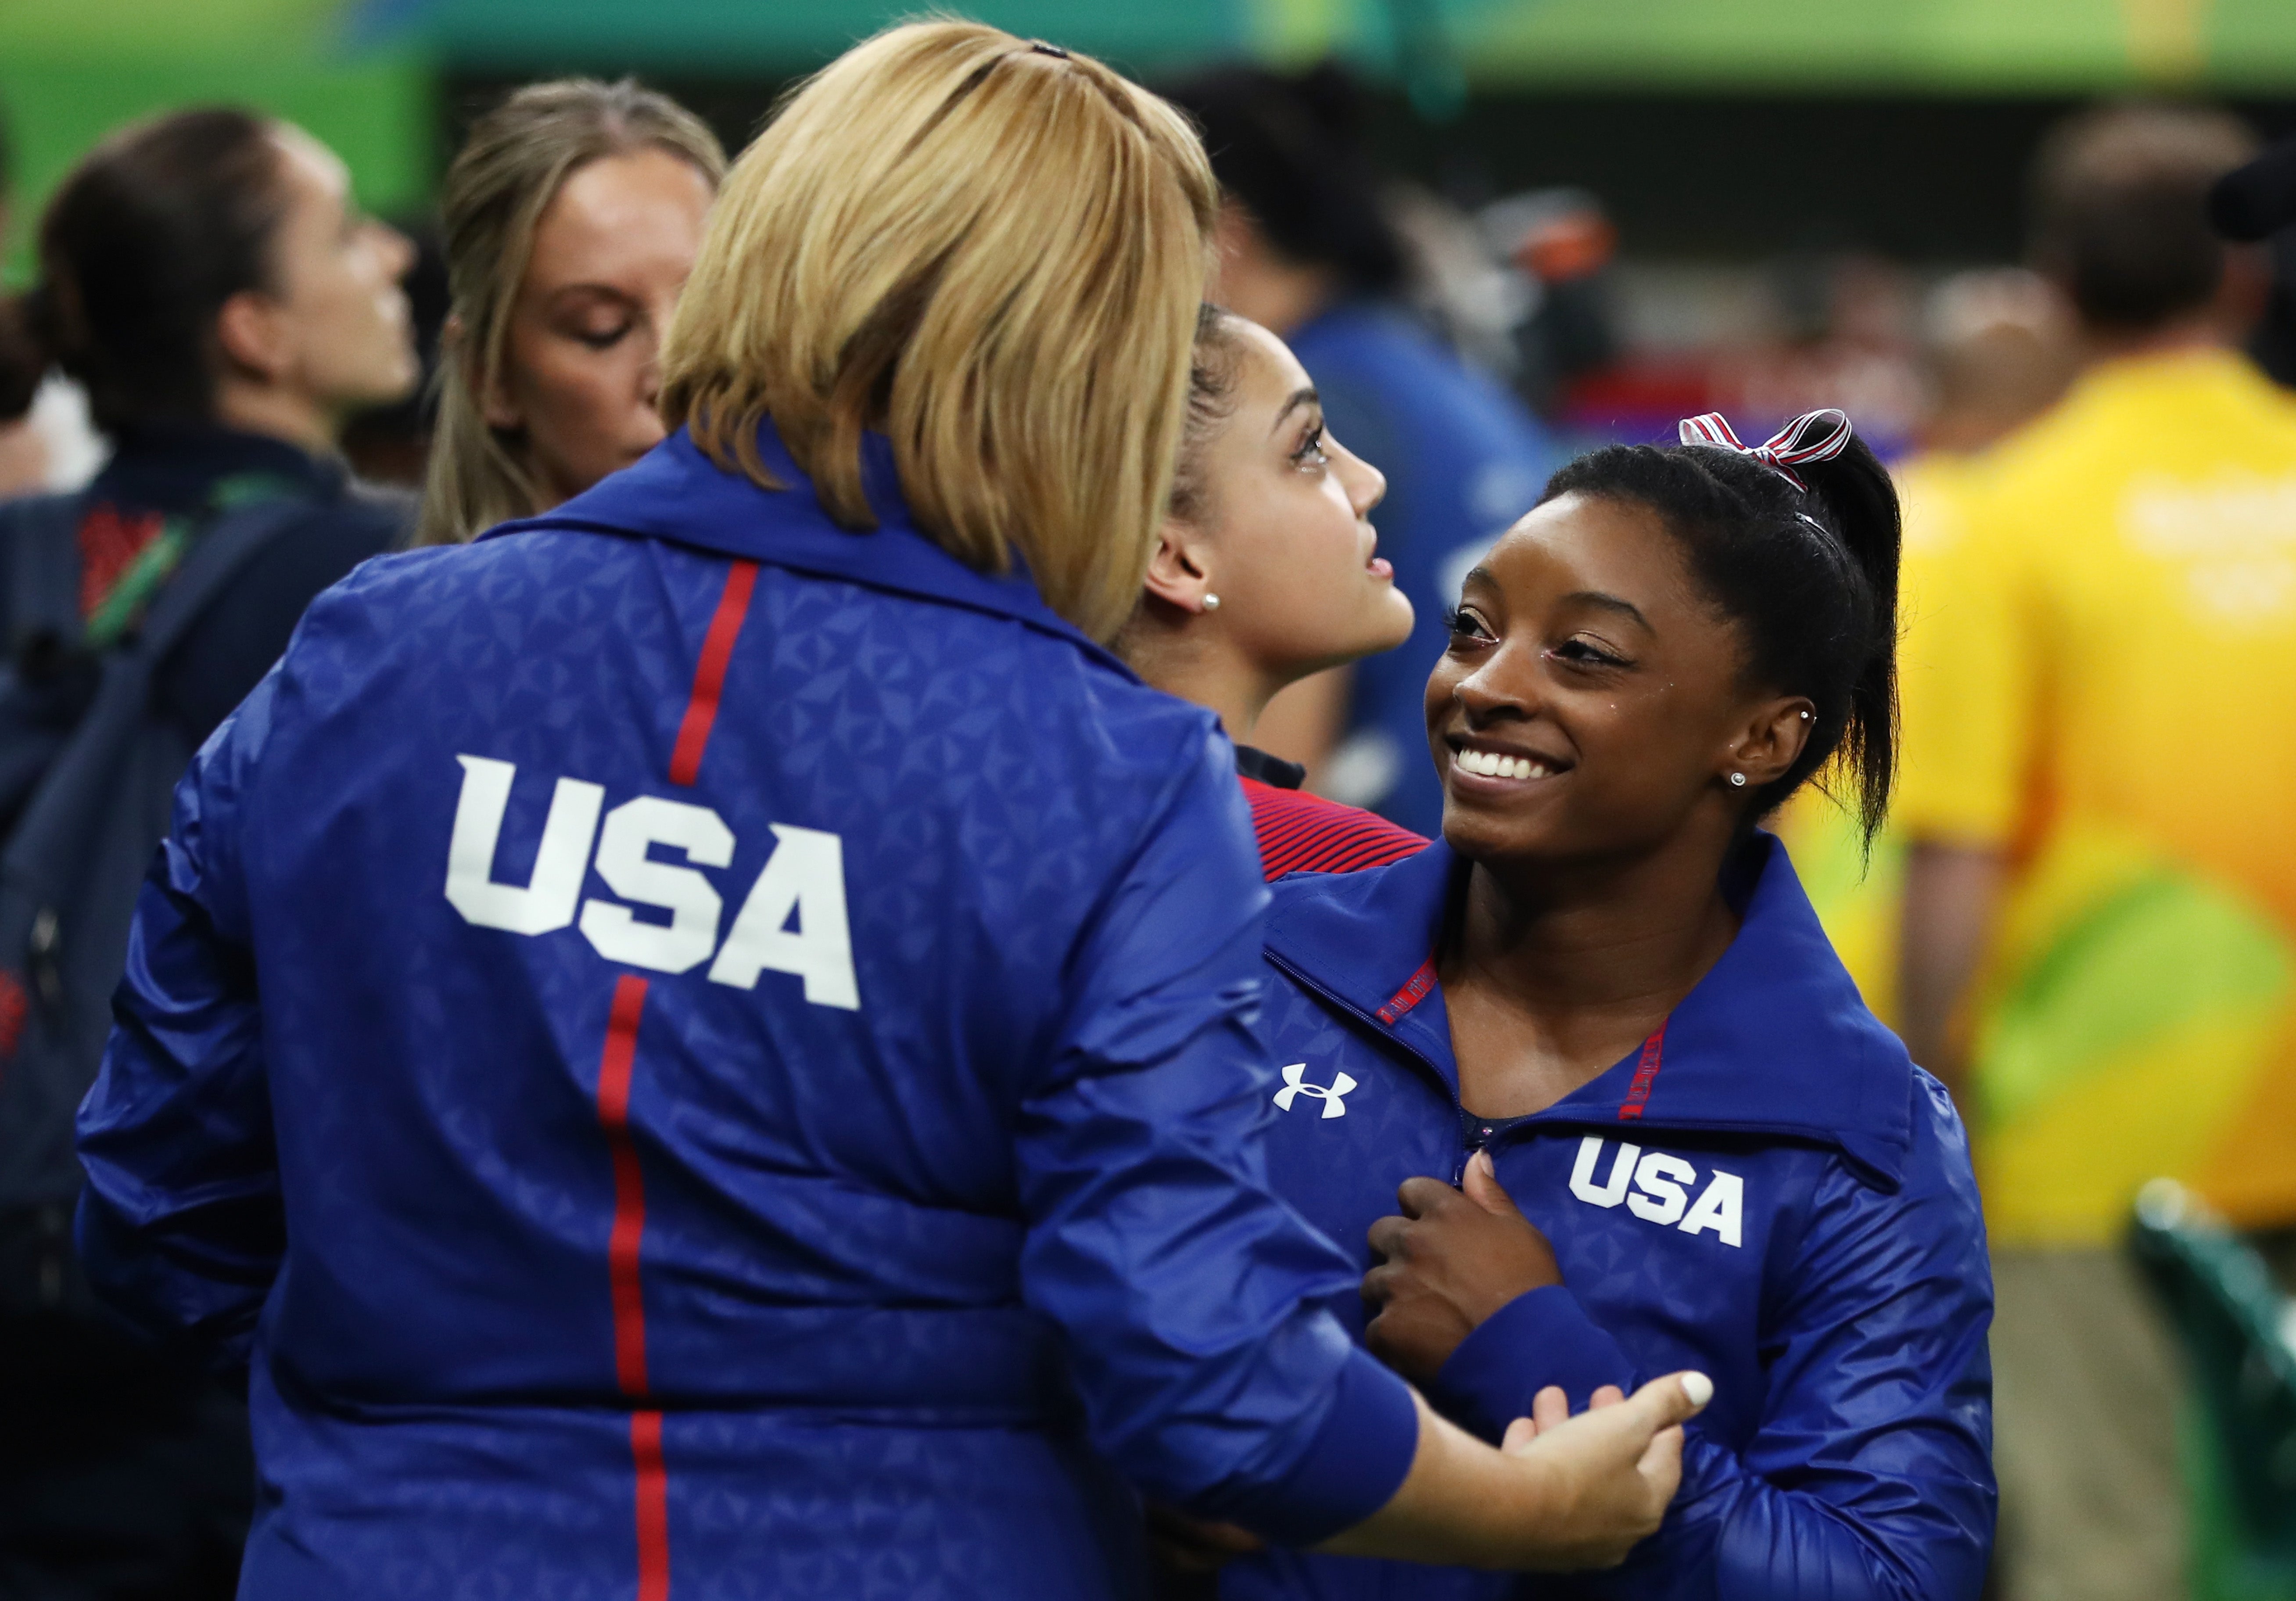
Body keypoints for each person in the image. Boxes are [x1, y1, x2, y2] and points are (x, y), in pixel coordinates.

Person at [72, 25, 1705, 1599]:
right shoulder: (1110, 778)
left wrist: (424, 1402)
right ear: (1081, 360)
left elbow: (156, 1208)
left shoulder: (371, 652)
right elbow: (1201, 1361)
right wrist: (1522, 1505)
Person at [1218, 410, 1995, 1600]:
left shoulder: (1859, 1136)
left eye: (1582, 655)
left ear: (1760, 734)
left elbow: (1890, 1577)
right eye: (1474, 630)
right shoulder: (1255, 963)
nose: (1485, 685)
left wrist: (1539, 1362)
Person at [0, 106, 416, 1599]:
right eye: (343, 233)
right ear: (257, 331)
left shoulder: (20, 543)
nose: (390, 257)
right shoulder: (384, 588)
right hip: (220, 1273)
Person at [1893, 103, 2296, 1601]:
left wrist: (1934, 1077)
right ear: (2247, 276)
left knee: (2106, 1550)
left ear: (2053, 282)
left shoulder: (2014, 520)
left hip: (2094, 1120)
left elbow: (1960, 854)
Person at [1157, 65, 1562, 834]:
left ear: (1227, 235)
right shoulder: (1424, 367)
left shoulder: (1302, 402)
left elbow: (1269, 805)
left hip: (1409, 884)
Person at [1777, 268, 2077, 1024]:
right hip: (1961, 994)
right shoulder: (2054, 547)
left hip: (1800, 965)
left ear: (1922, 388)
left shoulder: (1830, 527)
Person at [1121, 305, 1425, 877]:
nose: (1369, 481)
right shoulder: (1356, 877)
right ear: (1175, 559)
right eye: (1308, 449)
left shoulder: (1026, 823)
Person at [415, 79, 723, 546]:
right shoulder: (409, 615)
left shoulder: (835, 601)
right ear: (489, 376)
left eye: (709, 312)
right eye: (602, 329)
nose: (672, 377)